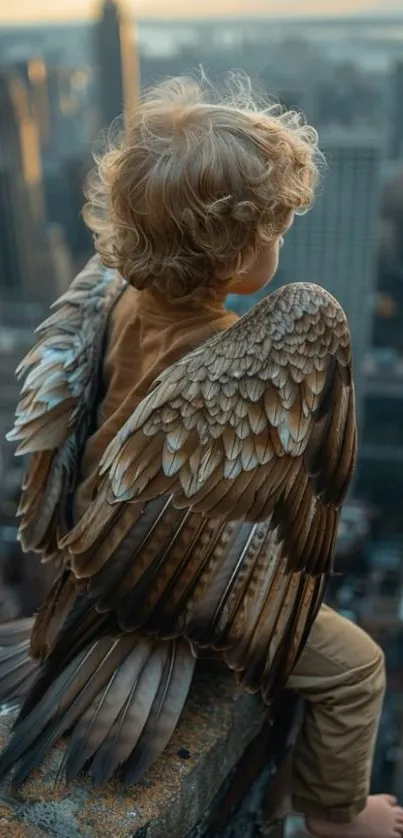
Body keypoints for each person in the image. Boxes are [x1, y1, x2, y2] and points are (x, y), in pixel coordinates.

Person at [0, 75, 402, 838]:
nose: (281, 242)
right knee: (354, 671)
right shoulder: (262, 350)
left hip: (84, 563)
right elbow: (287, 525)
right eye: (274, 230)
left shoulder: (108, 296)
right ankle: (336, 817)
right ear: (238, 252)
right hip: (153, 595)